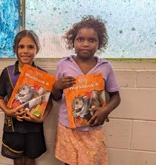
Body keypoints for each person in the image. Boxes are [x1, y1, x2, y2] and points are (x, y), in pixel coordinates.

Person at [52, 15, 121, 165]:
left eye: (91, 40)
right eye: (80, 39)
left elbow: (116, 97)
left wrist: (106, 110)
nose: (85, 44)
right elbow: (56, 97)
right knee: (68, 163)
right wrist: (56, 86)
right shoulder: (63, 65)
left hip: (93, 127)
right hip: (68, 127)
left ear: (99, 43)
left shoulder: (105, 67)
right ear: (73, 42)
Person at [0, 30, 52, 165]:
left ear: (37, 49)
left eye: (30, 47)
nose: (25, 51)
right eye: (21, 47)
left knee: (31, 158)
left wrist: (42, 118)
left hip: (34, 128)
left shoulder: (43, 76)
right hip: (13, 126)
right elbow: (0, 98)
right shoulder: (7, 72)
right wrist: (8, 111)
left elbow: (48, 103)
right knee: (17, 159)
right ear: (15, 49)